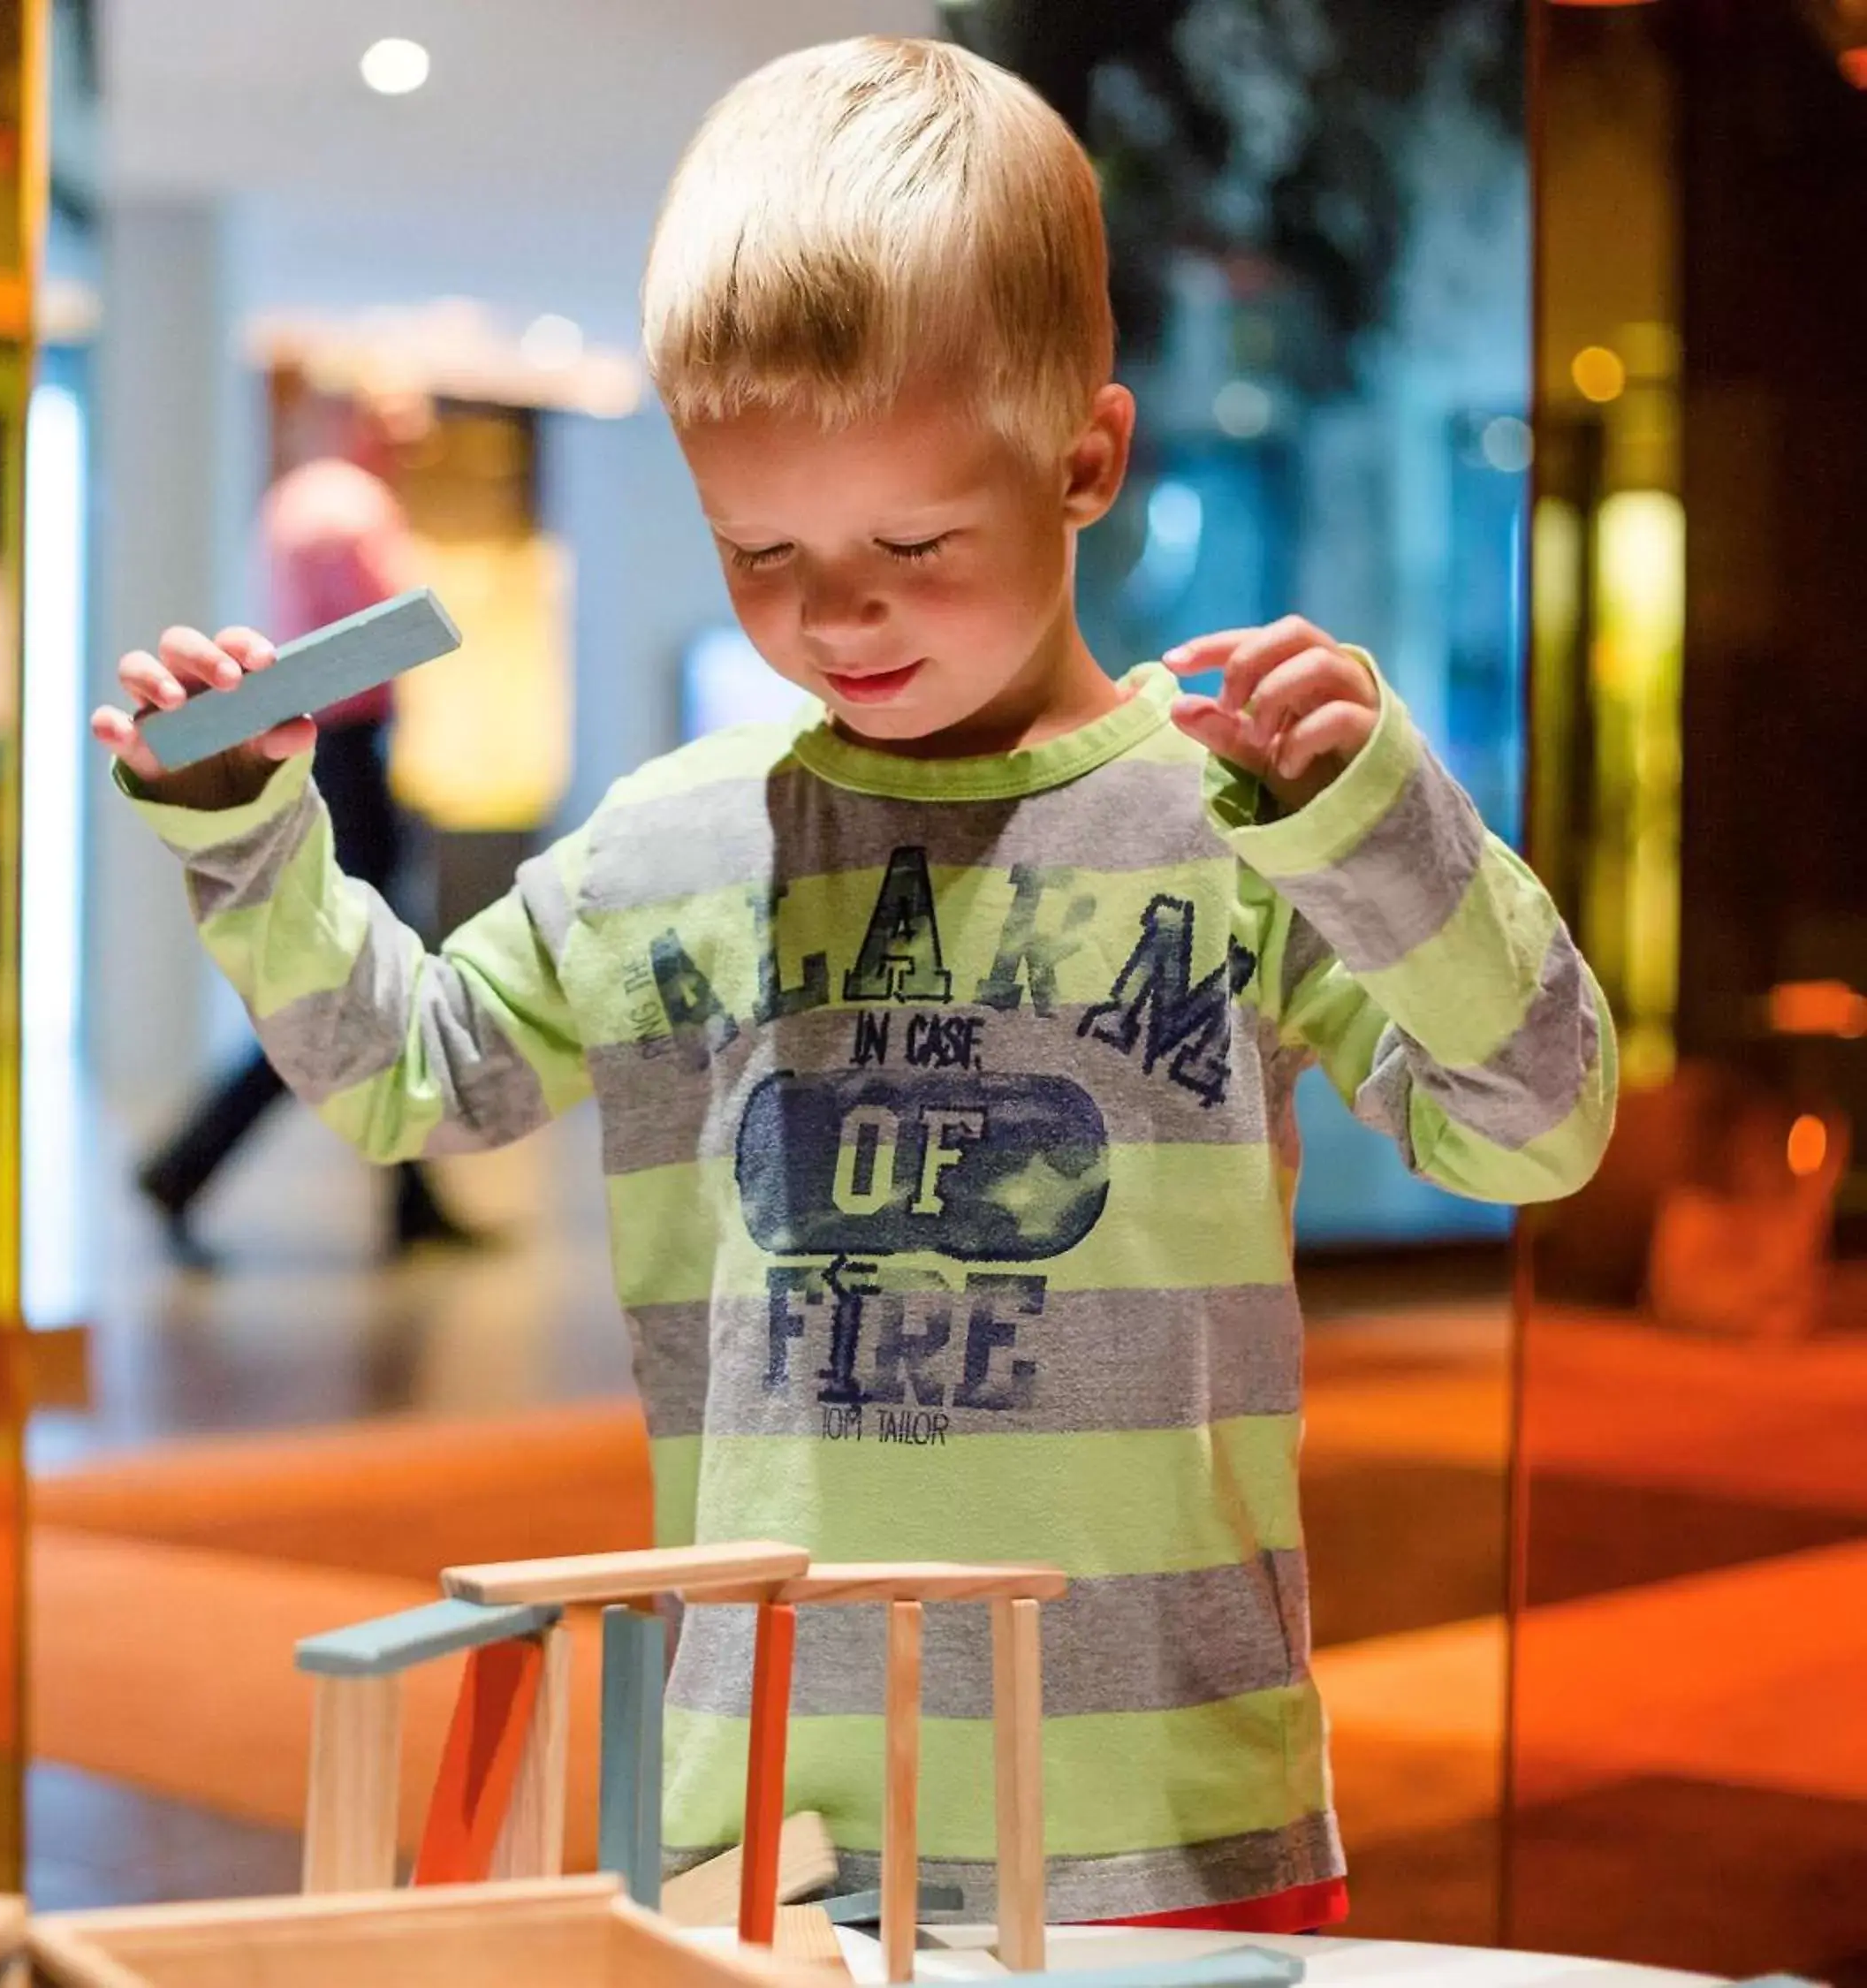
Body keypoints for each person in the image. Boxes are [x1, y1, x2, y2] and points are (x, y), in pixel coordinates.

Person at [93, 37, 1613, 1931]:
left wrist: (1387, 834)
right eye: (761, 551)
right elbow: (417, 1076)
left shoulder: (1244, 823)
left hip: (1162, 1812)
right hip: (762, 1833)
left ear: (1086, 462)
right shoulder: (671, 841)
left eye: (912, 543)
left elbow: (1537, 1127)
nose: (834, 615)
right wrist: (245, 831)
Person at [132, 382, 479, 1263]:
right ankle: (186, 1167)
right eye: (387, 423)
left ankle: (407, 1195)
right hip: (349, 756)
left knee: (371, 989)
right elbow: (399, 630)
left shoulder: (299, 503)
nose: (398, 442)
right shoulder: (342, 506)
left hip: (339, 753)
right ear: (341, 419)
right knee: (351, 990)